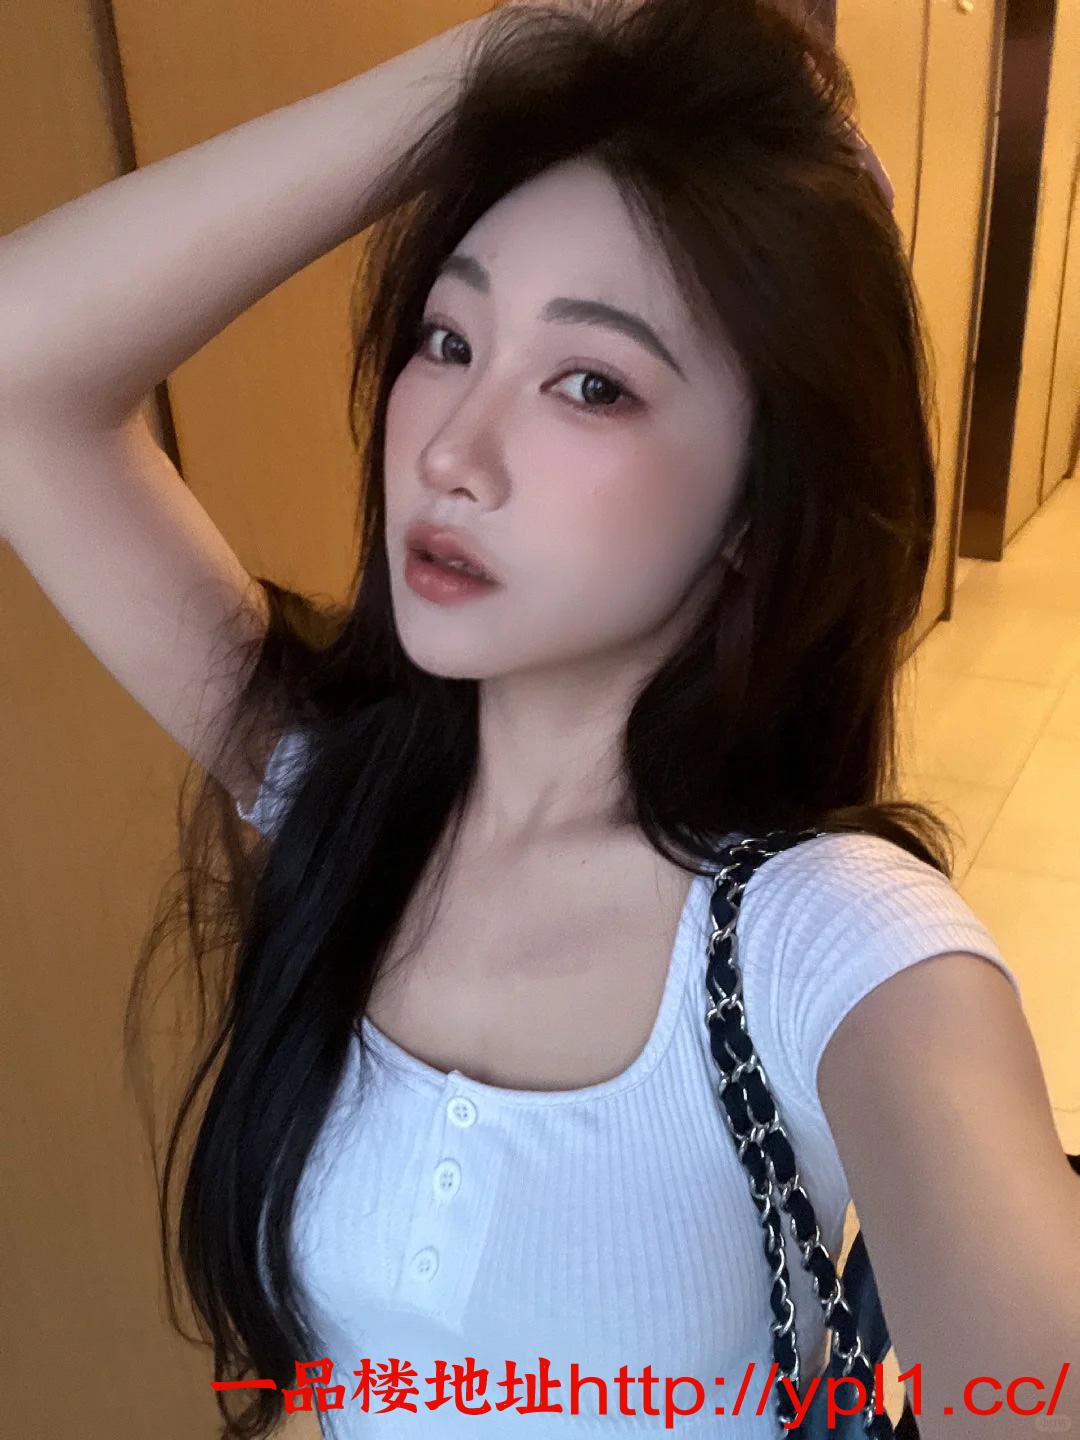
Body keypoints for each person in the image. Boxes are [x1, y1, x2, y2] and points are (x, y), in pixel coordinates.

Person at [2, 1, 1075, 1436]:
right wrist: (520, 51)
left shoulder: (830, 948)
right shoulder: (336, 794)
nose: (452, 452)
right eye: (448, 338)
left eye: (591, 383)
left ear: (762, 500)